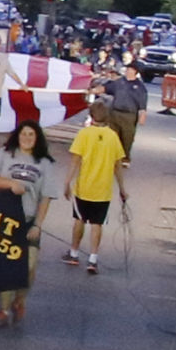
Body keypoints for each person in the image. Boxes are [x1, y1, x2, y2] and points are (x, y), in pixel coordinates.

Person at [0, 115, 49, 329]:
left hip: (29, 220)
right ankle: (3, 310)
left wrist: (38, 225)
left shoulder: (44, 163)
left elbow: (46, 198)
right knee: (6, 266)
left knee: (29, 267)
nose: (27, 138)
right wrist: (9, 184)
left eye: (31, 134)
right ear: (18, 136)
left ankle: (19, 300)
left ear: (37, 138)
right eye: (23, 134)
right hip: (5, 220)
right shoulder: (5, 155)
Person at [62, 109, 126, 273]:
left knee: (79, 220)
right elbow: (117, 165)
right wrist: (122, 189)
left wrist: (67, 182)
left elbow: (75, 160)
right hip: (103, 189)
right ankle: (92, 258)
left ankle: (74, 253)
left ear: (92, 115)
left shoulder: (84, 134)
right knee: (97, 223)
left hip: (84, 187)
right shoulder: (113, 136)